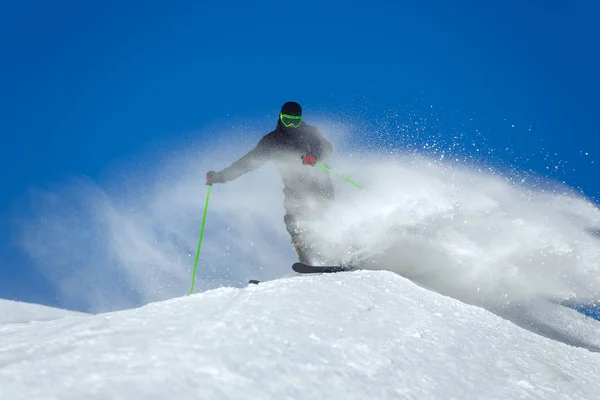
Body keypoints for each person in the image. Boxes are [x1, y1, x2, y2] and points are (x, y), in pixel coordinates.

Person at [206, 101, 334, 264]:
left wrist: (314, 155)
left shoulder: (310, 132)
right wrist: (220, 177)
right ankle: (309, 258)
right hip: (294, 188)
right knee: (293, 220)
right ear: (281, 118)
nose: (292, 126)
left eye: (295, 121)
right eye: (288, 120)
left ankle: (336, 247)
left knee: (320, 212)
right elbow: (247, 163)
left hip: (319, 182)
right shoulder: (272, 141)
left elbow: (326, 146)